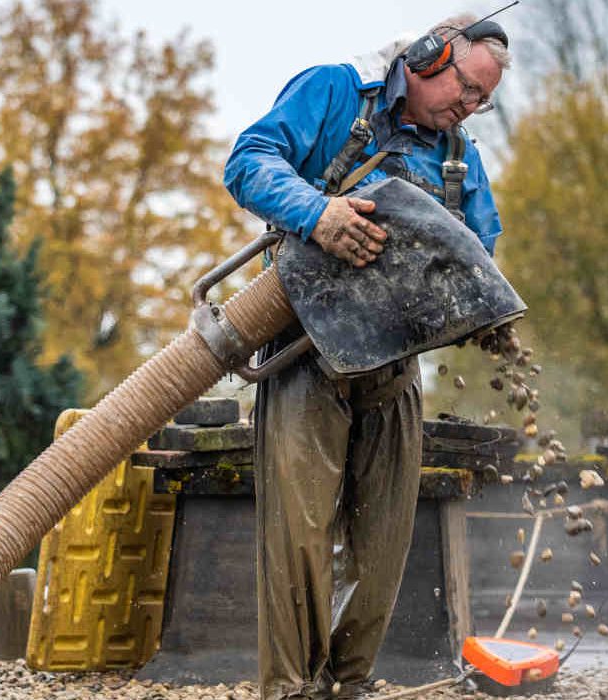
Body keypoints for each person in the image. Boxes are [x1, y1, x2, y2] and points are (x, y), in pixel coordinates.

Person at [221, 14, 509, 700]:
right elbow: (249, 160)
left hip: (393, 363)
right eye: (464, 90)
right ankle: (291, 689)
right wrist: (318, 214)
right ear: (427, 56)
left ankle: (348, 685)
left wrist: (488, 314)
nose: (466, 109)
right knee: (299, 535)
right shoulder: (336, 94)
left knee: (382, 546)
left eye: (481, 103)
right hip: (303, 350)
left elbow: (478, 251)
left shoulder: (457, 158)